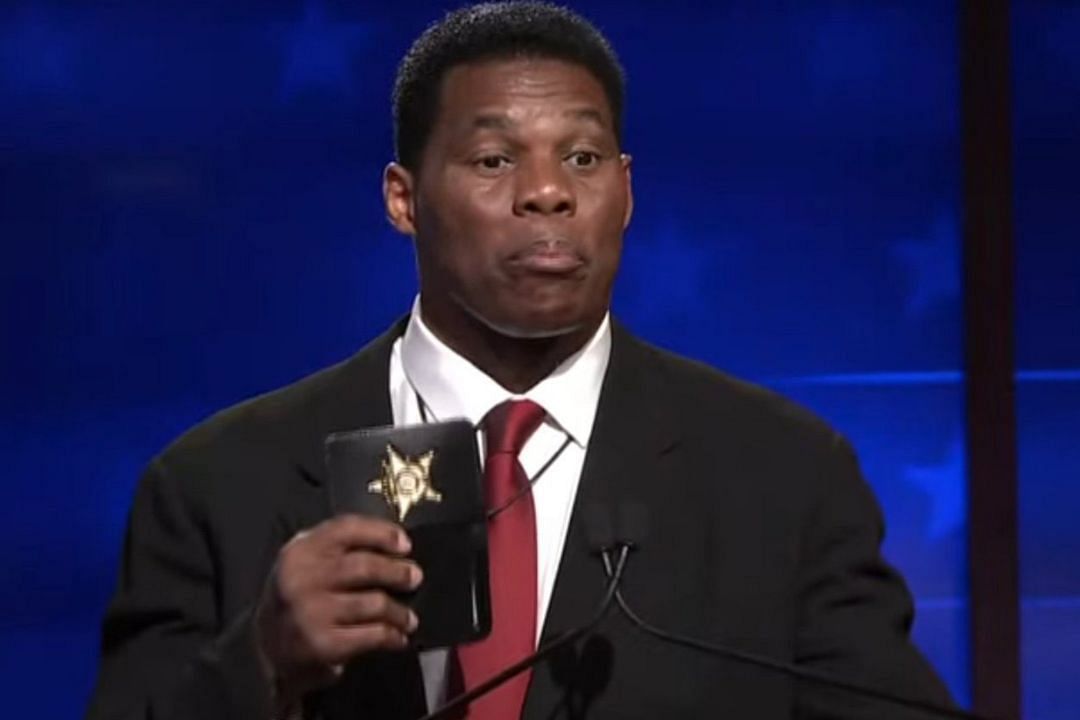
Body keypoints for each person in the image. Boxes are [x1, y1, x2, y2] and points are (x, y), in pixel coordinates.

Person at [86, 3, 955, 719]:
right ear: (403, 200)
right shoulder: (214, 485)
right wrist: (263, 661)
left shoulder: (784, 477)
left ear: (626, 190)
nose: (548, 191)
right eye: (495, 158)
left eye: (581, 157)